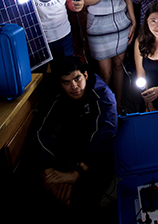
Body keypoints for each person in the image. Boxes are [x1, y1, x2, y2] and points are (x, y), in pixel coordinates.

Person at [34, 56, 117, 219]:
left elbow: (106, 132)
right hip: (69, 149)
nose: (74, 87)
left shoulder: (102, 94)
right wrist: (48, 170)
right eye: (66, 82)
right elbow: (40, 129)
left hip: (95, 156)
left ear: (85, 75)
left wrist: (77, 172)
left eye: (77, 78)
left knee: (82, 200)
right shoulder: (57, 94)